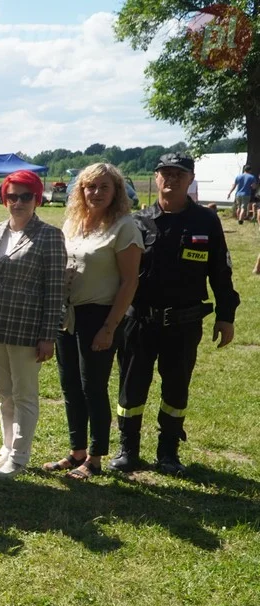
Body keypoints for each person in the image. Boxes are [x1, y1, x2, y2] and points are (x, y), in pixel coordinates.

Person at [109, 153, 239, 476]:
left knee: (176, 388)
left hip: (184, 323)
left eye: (179, 174)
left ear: (191, 179)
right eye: (165, 173)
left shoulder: (206, 223)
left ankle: (168, 452)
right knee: (131, 386)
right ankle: (129, 449)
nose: (172, 179)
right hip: (140, 322)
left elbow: (220, 271)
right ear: (156, 179)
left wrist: (226, 314)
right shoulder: (138, 222)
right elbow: (119, 276)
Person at [41, 164, 141, 480]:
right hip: (67, 315)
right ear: (80, 191)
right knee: (70, 385)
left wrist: (110, 327)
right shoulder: (73, 222)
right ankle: (76, 452)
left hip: (99, 315)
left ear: (116, 192)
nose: (96, 193)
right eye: (89, 187)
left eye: (104, 187)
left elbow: (129, 282)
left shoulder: (124, 227)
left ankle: (95, 458)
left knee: (93, 387)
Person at [0, 170, 67, 478]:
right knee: (3, 393)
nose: (18, 202)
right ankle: (6, 449)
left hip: (26, 328)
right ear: (4, 198)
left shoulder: (49, 235)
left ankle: (20, 456)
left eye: (26, 196)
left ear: (37, 198)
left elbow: (55, 290)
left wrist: (48, 335)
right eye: (12, 196)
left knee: (24, 394)